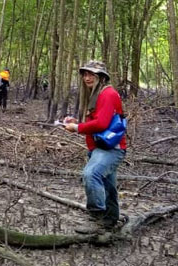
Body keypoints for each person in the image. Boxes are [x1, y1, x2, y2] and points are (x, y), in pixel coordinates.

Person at [63, 60, 126, 233]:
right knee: (108, 185)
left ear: (102, 77)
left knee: (91, 174)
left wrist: (77, 128)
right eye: (85, 74)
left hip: (110, 149)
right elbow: (98, 120)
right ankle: (111, 221)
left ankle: (96, 219)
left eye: (92, 74)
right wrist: (78, 122)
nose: (87, 77)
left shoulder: (107, 94)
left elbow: (102, 123)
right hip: (101, 147)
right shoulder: (97, 94)